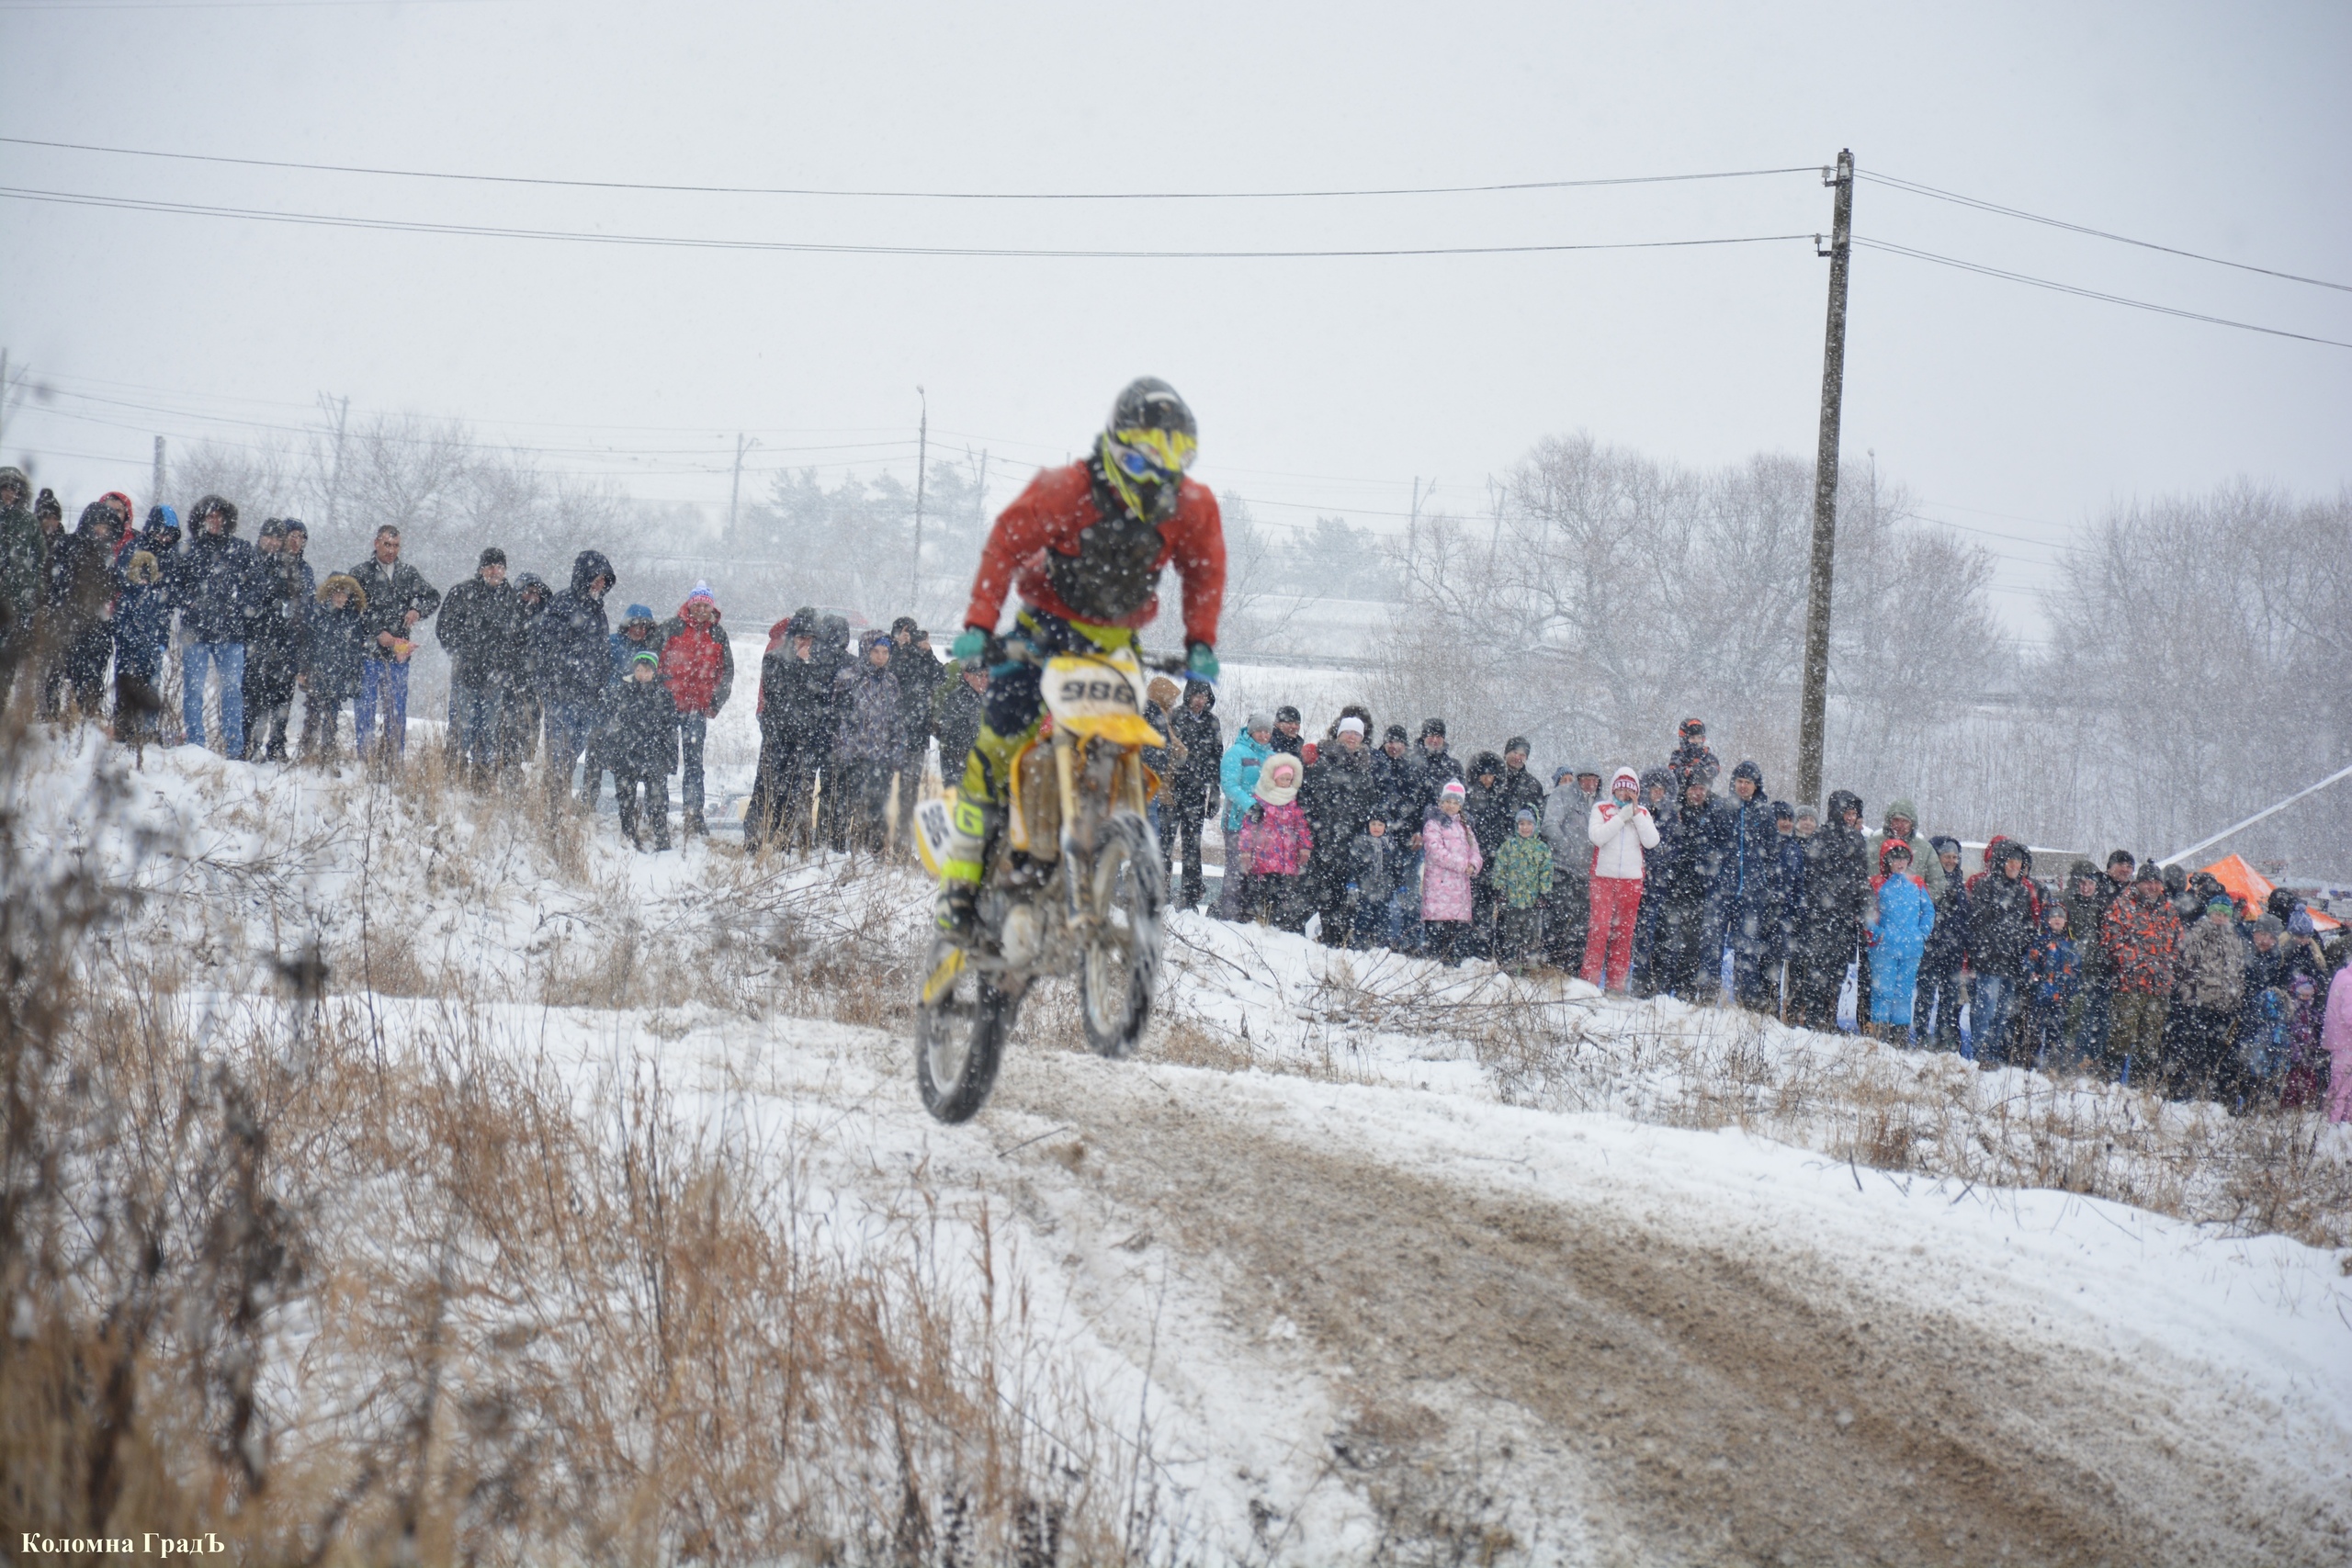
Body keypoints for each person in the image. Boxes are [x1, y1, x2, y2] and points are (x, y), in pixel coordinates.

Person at [933, 378, 1224, 942]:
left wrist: (1201, 642)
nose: (1160, 468)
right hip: (1044, 626)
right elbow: (1004, 544)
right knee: (998, 743)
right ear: (1118, 446)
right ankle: (961, 885)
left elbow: (1204, 569)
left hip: (1116, 640)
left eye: (1175, 456)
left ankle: (1112, 838)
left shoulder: (1190, 504)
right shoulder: (1067, 488)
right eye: (1148, 452)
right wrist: (978, 624)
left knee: (1130, 737)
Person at [167, 495, 261, 756]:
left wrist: (239, 606)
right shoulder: (188, 550)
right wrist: (190, 601)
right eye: (210, 516)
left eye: (220, 517)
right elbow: (172, 587)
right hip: (195, 632)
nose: (215, 522)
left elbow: (257, 587)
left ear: (228, 520)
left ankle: (234, 748)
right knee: (193, 689)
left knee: (232, 690)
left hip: (231, 634)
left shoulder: (241, 549)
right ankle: (195, 746)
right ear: (201, 519)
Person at [347, 525, 441, 765]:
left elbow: (433, 596)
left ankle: (393, 763)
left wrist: (417, 610)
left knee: (396, 711)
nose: (391, 550)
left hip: (399, 654)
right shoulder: (360, 573)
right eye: (387, 544)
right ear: (376, 543)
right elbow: (351, 608)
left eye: (396, 545)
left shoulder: (408, 573)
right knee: (365, 710)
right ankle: (364, 762)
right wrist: (376, 631)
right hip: (369, 652)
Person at [535, 549, 617, 816]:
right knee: (558, 756)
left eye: (604, 580)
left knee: (571, 755)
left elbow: (603, 654)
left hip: (588, 698)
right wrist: (562, 679)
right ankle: (552, 808)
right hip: (562, 695)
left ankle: (556, 805)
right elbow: (547, 649)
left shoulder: (599, 613)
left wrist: (600, 684)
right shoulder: (561, 605)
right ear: (585, 576)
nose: (600, 584)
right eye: (597, 578)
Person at [435, 547, 525, 785]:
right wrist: (461, 655)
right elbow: (444, 628)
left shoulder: (512, 600)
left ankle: (482, 780)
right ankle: (452, 777)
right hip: (465, 675)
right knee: (460, 730)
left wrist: (503, 665)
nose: (496, 571)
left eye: (501, 567)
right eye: (491, 566)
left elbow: (519, 640)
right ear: (482, 568)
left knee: (489, 733)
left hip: (494, 681)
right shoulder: (462, 593)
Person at [745, 609, 833, 852]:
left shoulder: (815, 665)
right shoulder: (774, 659)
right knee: (765, 788)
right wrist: (799, 664)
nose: (806, 642)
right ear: (792, 637)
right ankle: (753, 838)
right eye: (801, 637)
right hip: (777, 736)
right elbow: (777, 691)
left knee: (791, 792)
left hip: (801, 738)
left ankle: (780, 839)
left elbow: (817, 697)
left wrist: (805, 666)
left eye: (811, 638)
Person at [657, 583, 734, 837]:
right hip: (669, 706)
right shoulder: (672, 627)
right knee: (661, 762)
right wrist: (658, 696)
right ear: (690, 605)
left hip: (697, 710)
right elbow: (655, 659)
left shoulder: (718, 634)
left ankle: (694, 816)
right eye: (697, 604)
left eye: (706, 605)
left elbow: (726, 672)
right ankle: (657, 813)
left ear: (711, 607)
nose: (701, 610)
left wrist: (714, 703)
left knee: (694, 764)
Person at [1651, 771, 1732, 1004]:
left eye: (1702, 788)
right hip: (1671, 888)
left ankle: (1686, 991)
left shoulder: (1714, 813)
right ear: (1685, 790)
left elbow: (1719, 850)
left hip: (1699, 891)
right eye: (1693, 788)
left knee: (1692, 945)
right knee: (1667, 942)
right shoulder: (1674, 813)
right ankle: (1662, 991)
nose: (1697, 793)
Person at [1789, 791, 1868, 1028]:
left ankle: (1831, 1019)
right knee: (1817, 970)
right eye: (1848, 813)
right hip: (1821, 918)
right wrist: (1827, 902)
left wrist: (1862, 907)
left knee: (1838, 972)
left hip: (1845, 919)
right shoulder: (1820, 838)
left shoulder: (1857, 840)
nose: (1851, 818)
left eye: (1855, 814)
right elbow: (1812, 879)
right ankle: (1813, 1019)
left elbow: (1862, 878)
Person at [1303, 713, 1380, 945]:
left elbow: (1368, 801)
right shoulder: (1324, 760)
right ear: (1339, 735)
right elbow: (1309, 796)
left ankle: (1343, 938)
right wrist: (1320, 826)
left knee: (1347, 892)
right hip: (1325, 836)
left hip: (1352, 841)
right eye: (1348, 732)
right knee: (1324, 889)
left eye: (1357, 734)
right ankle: (1327, 935)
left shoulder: (1365, 767)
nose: (1352, 737)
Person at [1581, 767, 1658, 992]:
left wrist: (1634, 814)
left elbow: (1652, 841)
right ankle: (1589, 984)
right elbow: (1597, 837)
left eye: (1629, 791)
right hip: (1603, 879)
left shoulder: (1642, 813)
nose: (1624, 795)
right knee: (1600, 930)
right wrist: (1621, 816)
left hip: (1631, 881)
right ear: (1614, 789)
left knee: (1624, 934)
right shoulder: (1601, 808)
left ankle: (1616, 986)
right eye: (1621, 790)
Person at [2103, 863, 2179, 1086]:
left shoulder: (2169, 910)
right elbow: (2111, 940)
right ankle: (2112, 1086)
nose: (2152, 886)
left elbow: (2178, 943)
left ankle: (2140, 1088)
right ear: (2138, 883)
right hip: (2130, 986)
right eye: (2148, 881)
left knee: (2150, 1042)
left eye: (2156, 882)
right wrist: (2140, 963)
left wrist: (2165, 966)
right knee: (2122, 1037)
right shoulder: (2122, 905)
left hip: (2159, 988)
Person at [242, 519, 311, 761]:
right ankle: (251, 744)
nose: (295, 541)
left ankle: (277, 744)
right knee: (256, 696)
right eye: (290, 536)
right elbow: (254, 598)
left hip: (288, 642)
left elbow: (305, 607)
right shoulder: (261, 562)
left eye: (300, 537)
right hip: (261, 640)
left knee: (283, 697)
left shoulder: (300, 569)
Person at [50, 502, 125, 723]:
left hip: (96, 623)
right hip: (67, 620)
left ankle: (88, 715)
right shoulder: (67, 545)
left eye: (106, 527)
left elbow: (111, 587)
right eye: (97, 525)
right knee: (60, 671)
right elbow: (56, 581)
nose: (101, 531)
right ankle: (53, 717)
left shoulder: (109, 554)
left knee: (93, 673)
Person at [1966, 840, 2039, 1067]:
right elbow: (1978, 923)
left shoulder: (2022, 891)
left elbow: (2028, 925)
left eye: (2018, 862)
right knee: (1985, 1011)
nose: (2015, 866)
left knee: (2003, 1013)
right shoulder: (1984, 886)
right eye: (2011, 860)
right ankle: (1981, 1054)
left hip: (2012, 962)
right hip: (1990, 961)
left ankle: (1995, 1054)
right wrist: (1994, 945)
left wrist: (2020, 945)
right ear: (2000, 861)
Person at [830, 631, 903, 853]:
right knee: (845, 803)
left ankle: (873, 850)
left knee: (877, 805)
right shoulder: (849, 677)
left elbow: (895, 719)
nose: (881, 657)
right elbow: (837, 716)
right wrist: (844, 747)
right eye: (876, 651)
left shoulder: (891, 681)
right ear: (866, 651)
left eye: (885, 652)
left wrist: (895, 750)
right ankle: (838, 849)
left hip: (880, 756)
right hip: (852, 753)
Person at [2169, 897, 2247, 1100]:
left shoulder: (2234, 938)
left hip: (2225, 1006)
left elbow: (2238, 971)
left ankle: (2211, 1094)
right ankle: (2188, 1092)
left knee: (2218, 1053)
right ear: (2209, 913)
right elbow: (2186, 969)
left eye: (2225, 915)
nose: (2220, 918)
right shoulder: (2198, 934)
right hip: (2200, 1004)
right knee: (2195, 1051)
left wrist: (2237, 997)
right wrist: (2190, 999)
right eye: (2217, 913)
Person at [1719, 760, 1780, 1010]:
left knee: (1748, 949)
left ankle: (1746, 1001)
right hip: (1724, 889)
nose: (1743, 786)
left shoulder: (1765, 813)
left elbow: (1772, 853)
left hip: (1753, 892)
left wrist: (1766, 885)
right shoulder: (1723, 808)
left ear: (1757, 786)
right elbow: (1714, 844)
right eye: (1740, 782)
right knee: (1713, 945)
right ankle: (1707, 995)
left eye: (1748, 783)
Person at [607, 650, 679, 851]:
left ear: (654, 672)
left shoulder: (664, 695)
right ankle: (629, 835)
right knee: (625, 799)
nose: (642, 674)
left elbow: (671, 730)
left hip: (654, 755)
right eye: (638, 669)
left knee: (657, 800)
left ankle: (662, 839)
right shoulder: (622, 692)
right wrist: (612, 756)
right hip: (626, 755)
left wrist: (670, 762)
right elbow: (613, 727)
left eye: (646, 670)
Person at [1864, 840, 1935, 1043]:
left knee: (1904, 994)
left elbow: (1928, 910)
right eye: (1895, 858)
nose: (1900, 862)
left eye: (1904, 858)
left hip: (1911, 949)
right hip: (1884, 949)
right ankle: (1879, 1036)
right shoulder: (1876, 883)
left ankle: (1899, 1038)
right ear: (1886, 860)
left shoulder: (1917, 883)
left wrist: (1922, 933)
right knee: (1883, 991)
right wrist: (1878, 934)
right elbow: (1866, 913)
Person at [1235, 751, 1312, 930]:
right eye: (1283, 779)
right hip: (1264, 855)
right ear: (1274, 778)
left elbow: (1301, 826)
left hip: (1286, 856)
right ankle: (1259, 922)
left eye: (1288, 780)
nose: (1286, 783)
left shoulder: (1292, 802)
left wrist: (1305, 847)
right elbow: (1248, 828)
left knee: (1281, 892)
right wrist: (1246, 851)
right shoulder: (1260, 800)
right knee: (1262, 892)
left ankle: (1278, 924)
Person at [1165, 679, 1222, 908]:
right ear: (1188, 696)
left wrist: (1214, 792)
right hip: (1174, 789)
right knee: (1166, 841)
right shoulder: (1175, 717)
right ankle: (1162, 890)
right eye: (1196, 695)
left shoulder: (1212, 722)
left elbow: (1217, 756)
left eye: (1204, 696)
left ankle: (1190, 894)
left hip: (1197, 792)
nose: (1200, 700)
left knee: (1192, 844)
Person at [299, 573, 368, 762]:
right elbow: (307, 643)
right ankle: (307, 753)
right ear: (329, 593)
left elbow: (356, 649)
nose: (340, 598)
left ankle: (327, 754)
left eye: (344, 594)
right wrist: (303, 670)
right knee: (312, 713)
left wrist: (353, 675)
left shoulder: (352, 618)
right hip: (317, 672)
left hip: (338, 675)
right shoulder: (317, 614)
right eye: (337, 593)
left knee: (332, 716)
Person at [888, 617, 943, 852]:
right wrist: (899, 649)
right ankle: (878, 838)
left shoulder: (922, 658)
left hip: (917, 733)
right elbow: (891, 675)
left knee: (910, 789)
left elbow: (940, 677)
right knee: (884, 786)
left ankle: (902, 838)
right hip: (890, 734)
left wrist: (928, 653)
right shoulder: (885, 652)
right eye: (903, 633)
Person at [1216, 712, 1275, 914]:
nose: (1264, 735)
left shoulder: (1271, 756)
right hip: (1237, 822)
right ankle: (1230, 915)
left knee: (1257, 872)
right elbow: (1230, 785)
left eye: (1267, 731)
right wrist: (1251, 805)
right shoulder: (1236, 753)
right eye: (1259, 730)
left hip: (1263, 825)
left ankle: (1250, 916)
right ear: (1251, 731)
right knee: (1236, 870)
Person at [1542, 764, 1600, 970]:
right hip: (1563, 870)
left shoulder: (1602, 804)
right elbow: (1549, 825)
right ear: (1578, 779)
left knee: (1581, 926)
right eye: (1585, 779)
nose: (1590, 784)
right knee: (1557, 920)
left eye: (1594, 779)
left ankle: (1573, 972)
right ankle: (1549, 967)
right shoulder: (1562, 795)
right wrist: (1568, 850)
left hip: (1589, 875)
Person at [112, 544, 172, 743]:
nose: (144, 580)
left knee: (150, 692)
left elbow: (163, 624)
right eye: (140, 574)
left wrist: (161, 644)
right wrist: (132, 642)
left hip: (151, 656)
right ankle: (124, 729)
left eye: (148, 575)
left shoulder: (157, 598)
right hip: (129, 655)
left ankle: (148, 730)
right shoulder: (126, 599)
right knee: (127, 694)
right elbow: (119, 626)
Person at [1419, 779, 1483, 966]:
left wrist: (1474, 865)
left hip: (1459, 890)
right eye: (1448, 801)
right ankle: (1434, 965)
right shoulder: (1433, 824)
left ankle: (1454, 965)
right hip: (1439, 888)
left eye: (1456, 802)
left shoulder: (1465, 827)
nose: (1451, 806)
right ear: (1441, 802)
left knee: (1456, 935)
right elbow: (1435, 851)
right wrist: (1463, 864)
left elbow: (1476, 851)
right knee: (1437, 934)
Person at [1917, 837, 1972, 1052]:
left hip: (1953, 951)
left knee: (1949, 1000)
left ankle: (1944, 1038)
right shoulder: (1928, 881)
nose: (1951, 861)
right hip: (1931, 949)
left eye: (1954, 857)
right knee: (1925, 997)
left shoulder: (1960, 882)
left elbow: (1964, 917)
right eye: (1946, 856)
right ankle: (1922, 1036)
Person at [2023, 904, 2085, 1071]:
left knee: (2056, 1036)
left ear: (2065, 921)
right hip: (2041, 996)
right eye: (2053, 916)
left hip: (2062, 998)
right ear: (2047, 920)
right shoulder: (2041, 941)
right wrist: (2033, 976)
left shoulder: (2071, 944)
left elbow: (2077, 971)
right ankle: (2031, 1067)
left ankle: (2053, 1069)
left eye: (2060, 916)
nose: (2057, 919)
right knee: (2035, 1033)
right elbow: (2030, 961)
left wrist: (2072, 989)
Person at [1493, 807, 1554, 974]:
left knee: (1532, 937)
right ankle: (1510, 967)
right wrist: (1499, 889)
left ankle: (1529, 968)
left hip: (1532, 902)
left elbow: (1546, 872)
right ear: (1516, 826)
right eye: (1521, 824)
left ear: (1536, 826)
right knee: (1511, 935)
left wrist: (1544, 893)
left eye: (1529, 824)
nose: (1525, 828)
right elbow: (1499, 869)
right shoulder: (1508, 847)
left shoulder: (1541, 849)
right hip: (1512, 902)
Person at [500, 570, 550, 769]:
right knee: (505, 731)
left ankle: (522, 770)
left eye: (537, 593)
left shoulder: (545, 619)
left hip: (533, 686)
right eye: (528, 592)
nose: (532, 598)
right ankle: (504, 770)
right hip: (508, 682)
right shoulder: (507, 615)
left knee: (529, 733)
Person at [0, 466, 41, 697]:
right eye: (4, 488)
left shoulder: (27, 521)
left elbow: (39, 558)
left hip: (16, 601)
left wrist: (31, 587)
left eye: (13, 489)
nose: (9, 493)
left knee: (8, 658)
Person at [1347, 814, 1407, 950]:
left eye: (1380, 825)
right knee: (1363, 917)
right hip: (1364, 889)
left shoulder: (1390, 845)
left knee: (1383, 918)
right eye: (1373, 824)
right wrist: (1352, 885)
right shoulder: (1360, 842)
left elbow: (1397, 869)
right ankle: (1358, 946)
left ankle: (1380, 947)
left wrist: (1401, 887)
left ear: (1385, 827)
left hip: (1385, 889)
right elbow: (1353, 867)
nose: (1376, 828)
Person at [2327, 958, 2352, 1124]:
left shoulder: (2341, 975)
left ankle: (2340, 1121)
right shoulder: (2350, 983)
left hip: (2338, 1040)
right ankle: (2334, 1123)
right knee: (2342, 1085)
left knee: (2341, 1084)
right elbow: (2350, 1015)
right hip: (2345, 1041)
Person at [1665, 717, 1716, 795]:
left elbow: (1715, 766)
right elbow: (1672, 771)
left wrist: (1705, 771)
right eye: (1692, 738)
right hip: (1682, 793)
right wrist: (1686, 772)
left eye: (1699, 738)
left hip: (1704, 793)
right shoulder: (1678, 754)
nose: (1696, 741)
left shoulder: (1706, 753)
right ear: (1684, 739)